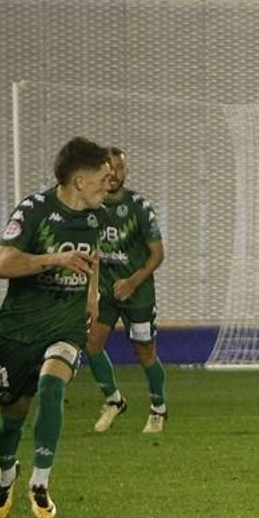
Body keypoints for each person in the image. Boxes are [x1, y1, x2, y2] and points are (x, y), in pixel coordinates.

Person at [0, 136, 114, 518]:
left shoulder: (97, 217)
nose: (110, 184)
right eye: (104, 178)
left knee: (51, 385)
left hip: (66, 325)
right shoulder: (34, 211)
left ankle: (40, 482)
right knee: (13, 414)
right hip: (19, 330)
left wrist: (93, 296)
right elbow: (2, 264)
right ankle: (6, 474)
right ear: (79, 181)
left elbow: (92, 257)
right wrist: (53, 258)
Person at [87, 148, 170, 433]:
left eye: (119, 168)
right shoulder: (91, 208)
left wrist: (133, 281)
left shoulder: (139, 207)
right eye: (109, 169)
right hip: (107, 292)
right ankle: (114, 401)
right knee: (91, 343)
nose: (114, 174)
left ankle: (158, 409)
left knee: (144, 353)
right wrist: (93, 293)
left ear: (126, 172)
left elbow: (157, 254)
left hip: (138, 293)